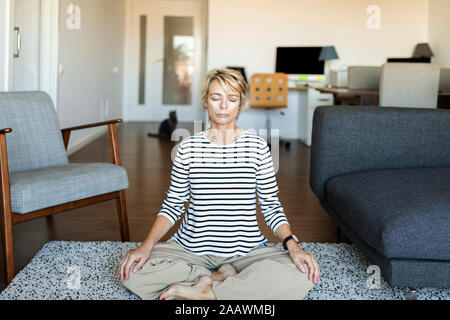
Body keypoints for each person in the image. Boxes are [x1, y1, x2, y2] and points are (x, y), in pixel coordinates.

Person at [118, 68, 320, 300]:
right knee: (131, 272)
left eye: (232, 99)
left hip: (247, 250)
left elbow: (271, 206)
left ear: (240, 103)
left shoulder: (258, 148)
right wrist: (145, 246)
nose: (224, 106)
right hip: (191, 249)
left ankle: (206, 289)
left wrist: (292, 245)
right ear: (205, 101)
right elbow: (172, 205)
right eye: (216, 98)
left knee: (302, 273)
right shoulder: (187, 148)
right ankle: (222, 279)